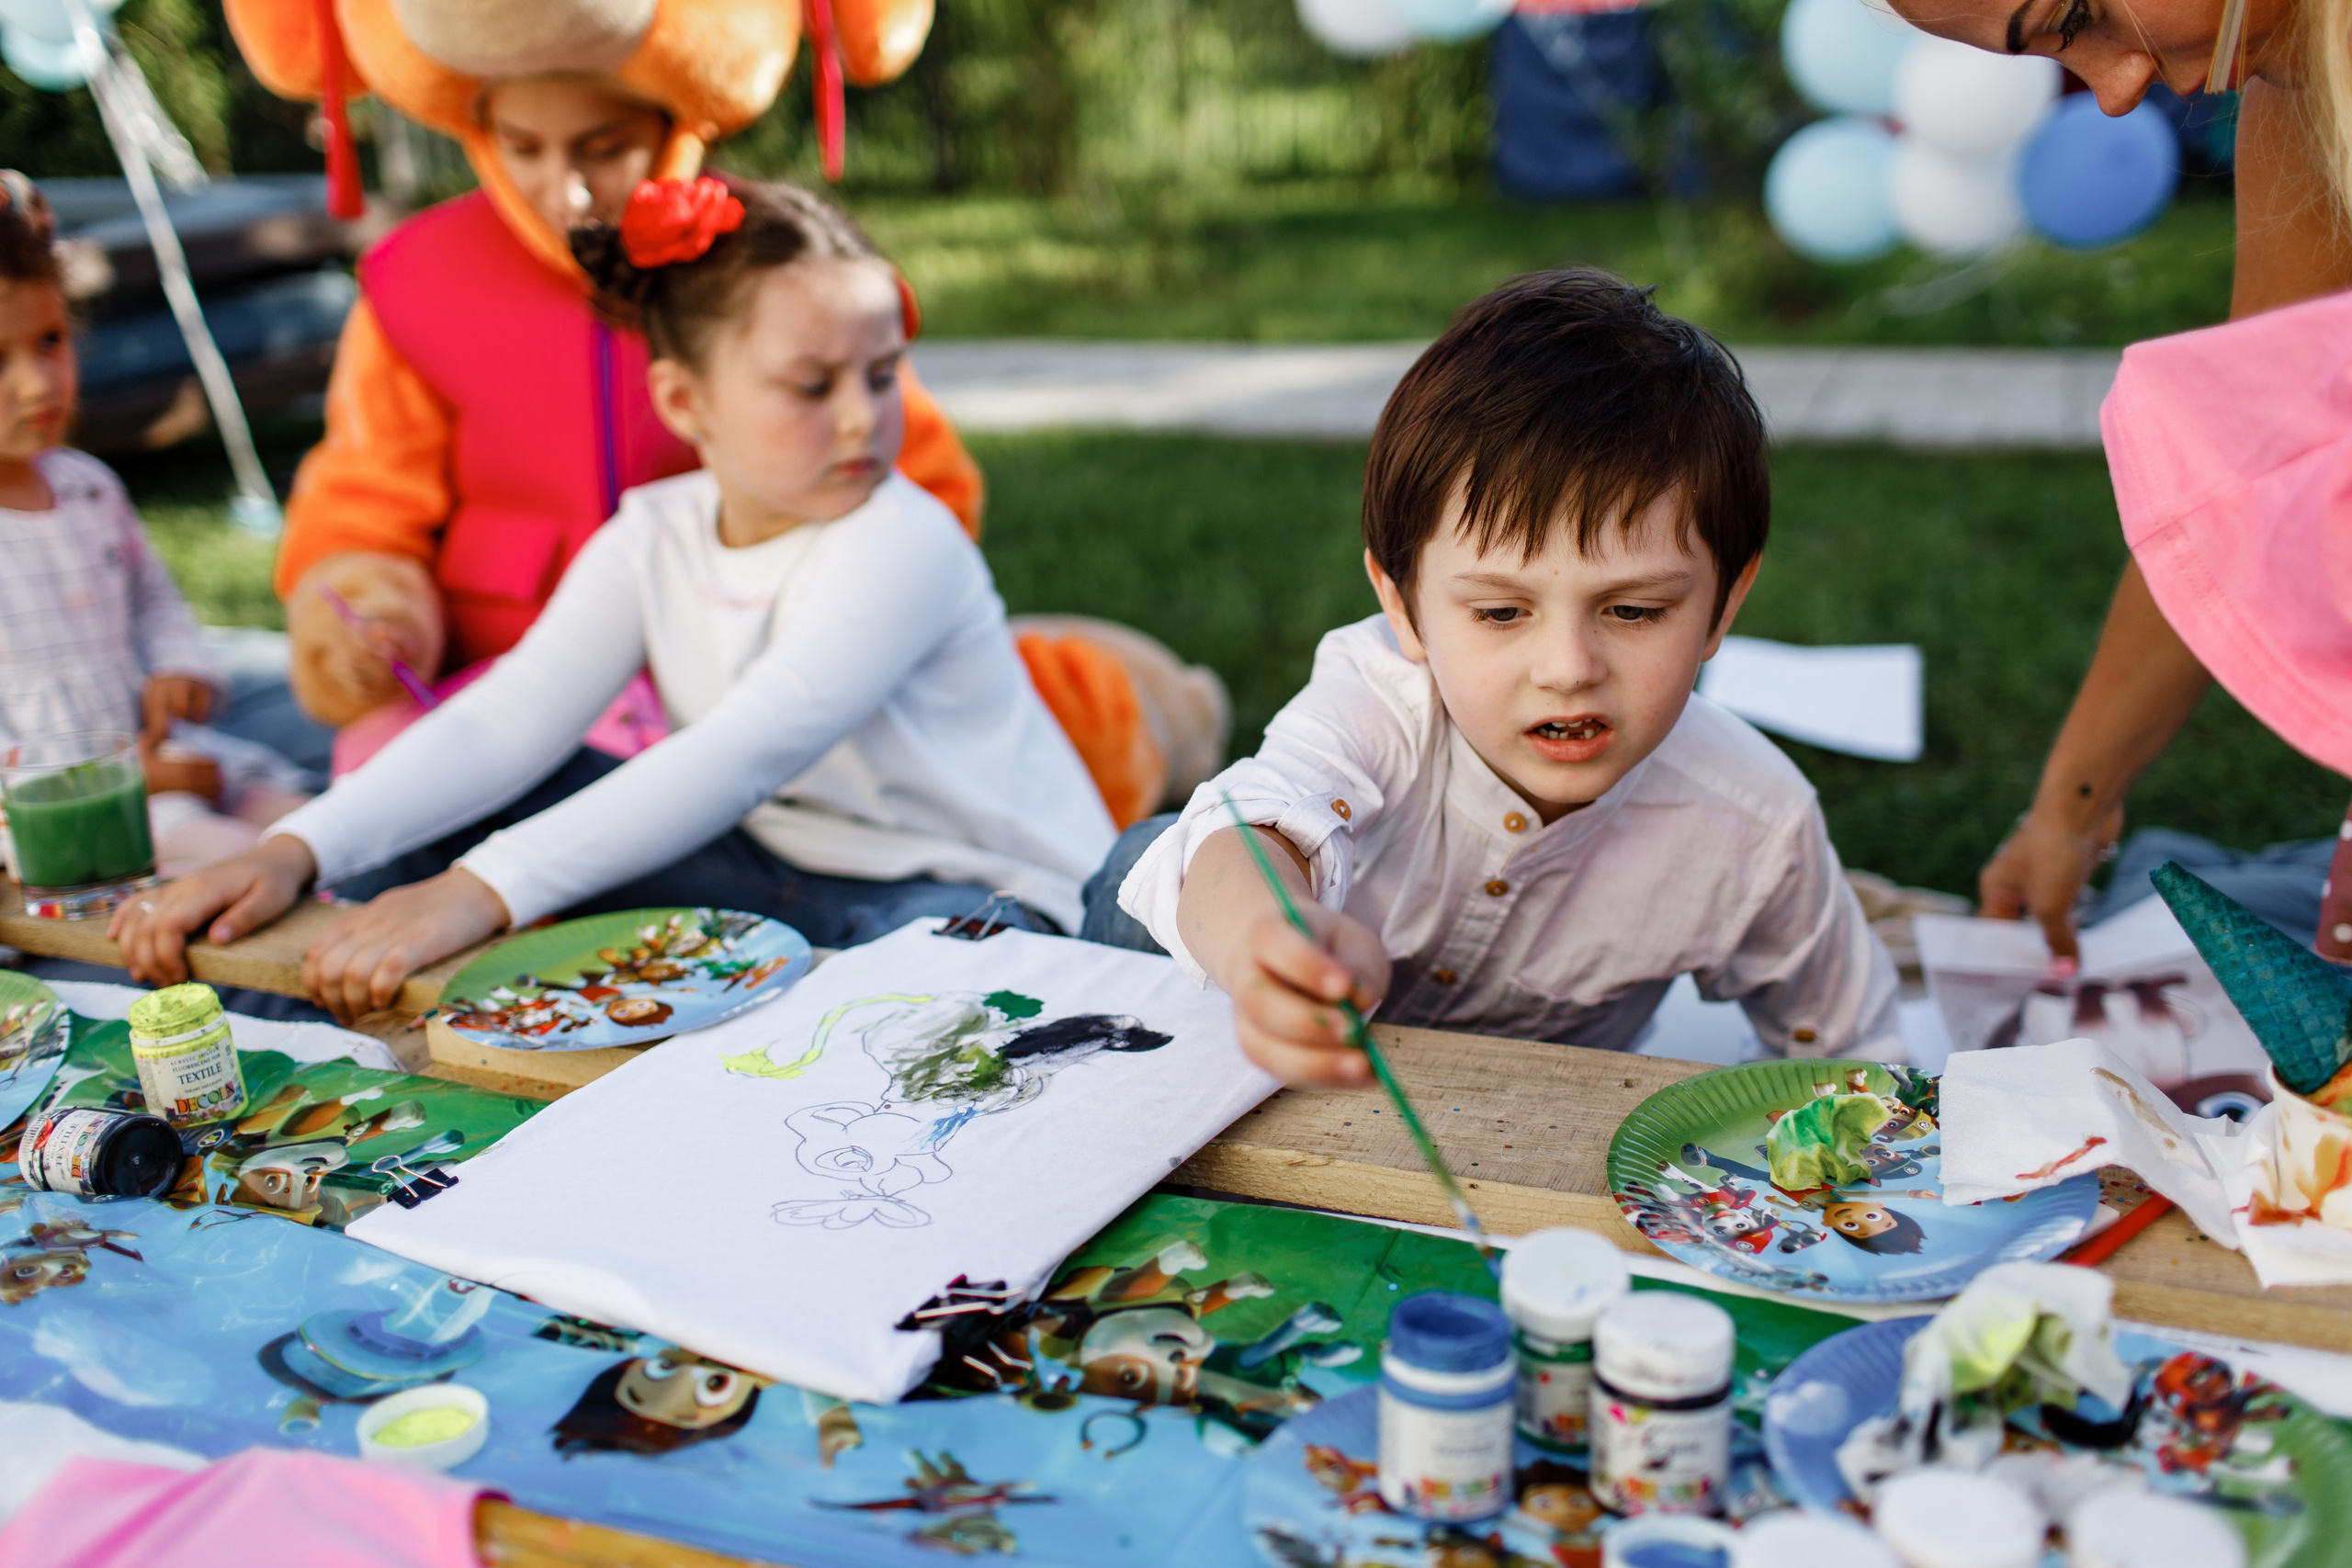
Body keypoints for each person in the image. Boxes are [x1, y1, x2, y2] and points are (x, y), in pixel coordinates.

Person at [111, 178, 1114, 1021]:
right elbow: (509, 719)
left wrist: (483, 894)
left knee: (932, 990)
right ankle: (331, 1012)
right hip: (775, 873)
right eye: (812, 385)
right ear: (685, 403)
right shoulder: (654, 532)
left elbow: (739, 751)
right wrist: (296, 847)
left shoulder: (901, 538)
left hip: (976, 896)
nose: (862, 416)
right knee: (452, 808)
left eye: (884, 374)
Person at [222, 0, 1216, 830]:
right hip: (505, 669)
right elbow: (365, 498)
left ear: (664, 125)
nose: (562, 186)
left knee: (974, 743)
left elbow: (913, 477)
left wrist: (841, 608)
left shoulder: (762, 269)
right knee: (397, 779)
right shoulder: (417, 286)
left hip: (760, 667)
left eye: (602, 148)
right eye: (522, 147)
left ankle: (1161, 720)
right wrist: (365, 601)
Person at [1095, 270, 1904, 1086]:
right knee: (1153, 863)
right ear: (1403, 609)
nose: (1567, 670)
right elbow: (1250, 827)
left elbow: (1851, 1060)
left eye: (1632, 611)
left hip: (1506, 1138)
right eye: (1499, 613)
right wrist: (1267, 938)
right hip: (1212, 1046)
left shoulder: (1756, 826)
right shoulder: (1376, 704)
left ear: (1724, 604)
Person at [1880, 0, 2352, 962]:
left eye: (2080, 14)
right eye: (2060, 53)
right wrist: (2066, 813)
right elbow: (2238, 490)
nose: (2116, 88)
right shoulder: (2303, 104)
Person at [0, 174, 311, 877]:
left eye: (50, 341)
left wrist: (179, 665)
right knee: (251, 865)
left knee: (320, 821)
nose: (37, 383)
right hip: (66, 811)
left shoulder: (86, 487)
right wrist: (135, 776)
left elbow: (154, 602)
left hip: (162, 753)